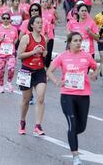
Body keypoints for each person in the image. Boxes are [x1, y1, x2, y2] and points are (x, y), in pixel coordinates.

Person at [47, 32, 99, 165]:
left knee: (81, 127)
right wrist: (57, 81)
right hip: (67, 95)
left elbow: (95, 68)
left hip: (83, 95)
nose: (78, 43)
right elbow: (49, 71)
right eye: (75, 40)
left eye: (80, 41)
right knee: (73, 124)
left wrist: (94, 75)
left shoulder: (86, 56)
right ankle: (76, 156)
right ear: (69, 43)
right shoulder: (62, 56)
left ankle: (72, 132)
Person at [17, 16, 47, 136]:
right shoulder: (26, 38)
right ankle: (22, 121)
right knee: (26, 99)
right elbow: (19, 55)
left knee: (40, 97)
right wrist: (33, 52)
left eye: (41, 22)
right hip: (26, 71)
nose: (40, 24)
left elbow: (43, 54)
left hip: (39, 71)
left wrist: (44, 54)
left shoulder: (43, 38)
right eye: (38, 23)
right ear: (32, 25)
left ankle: (38, 125)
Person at [0, 12, 18, 93]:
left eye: (7, 18)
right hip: (1, 54)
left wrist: (14, 43)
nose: (6, 20)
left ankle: (9, 82)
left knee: (12, 68)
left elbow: (16, 38)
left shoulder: (14, 29)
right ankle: (1, 85)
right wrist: (0, 40)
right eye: (4, 18)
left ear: (10, 20)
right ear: (1, 20)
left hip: (11, 53)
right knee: (1, 70)